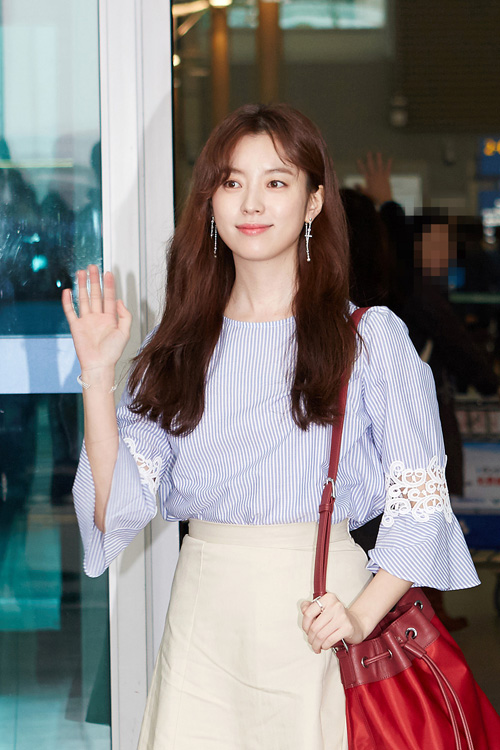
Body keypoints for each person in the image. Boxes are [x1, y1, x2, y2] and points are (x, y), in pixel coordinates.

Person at [62, 104, 480, 750]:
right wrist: (96, 375)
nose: (251, 202)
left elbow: (420, 508)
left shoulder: (369, 339)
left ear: (313, 202)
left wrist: (360, 616)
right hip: (204, 618)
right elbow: (113, 507)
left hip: (321, 616)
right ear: (210, 200)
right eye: (232, 182)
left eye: (276, 182)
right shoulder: (177, 347)